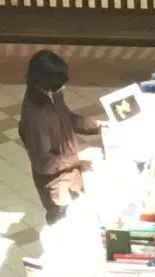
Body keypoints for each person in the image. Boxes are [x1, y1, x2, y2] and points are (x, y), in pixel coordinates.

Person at [19, 52, 101, 224]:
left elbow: (66, 118)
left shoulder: (51, 94)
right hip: (57, 186)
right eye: (60, 83)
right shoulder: (35, 117)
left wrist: (97, 125)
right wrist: (78, 158)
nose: (63, 87)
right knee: (63, 223)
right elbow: (44, 163)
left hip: (72, 175)